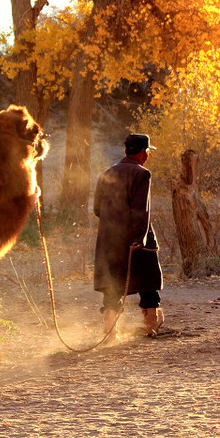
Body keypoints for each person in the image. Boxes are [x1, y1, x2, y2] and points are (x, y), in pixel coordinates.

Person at [92, 133, 164, 336]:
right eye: (148, 152)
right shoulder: (142, 174)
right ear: (143, 153)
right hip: (136, 238)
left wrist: (113, 226)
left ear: (125, 151)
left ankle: (110, 330)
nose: (148, 155)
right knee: (148, 281)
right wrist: (138, 238)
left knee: (112, 283)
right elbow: (141, 210)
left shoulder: (105, 173)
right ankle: (152, 323)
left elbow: (97, 209)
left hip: (109, 239)